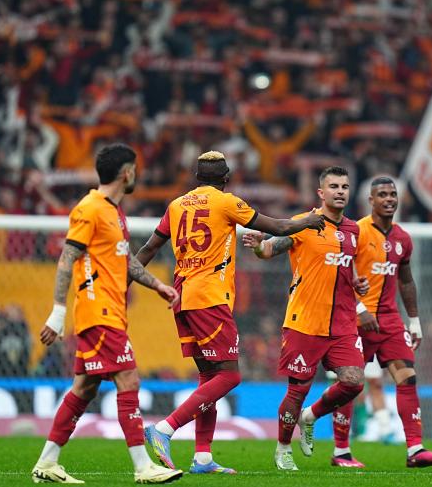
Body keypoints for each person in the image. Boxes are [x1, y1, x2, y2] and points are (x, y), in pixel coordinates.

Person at [136, 150, 325, 474]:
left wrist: (126, 280)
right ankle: (165, 429)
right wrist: (306, 221)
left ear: (197, 178)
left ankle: (202, 458)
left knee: (209, 377)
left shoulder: (177, 205)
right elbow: (277, 226)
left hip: (183, 296)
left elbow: (149, 247)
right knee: (230, 375)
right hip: (209, 297)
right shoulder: (226, 202)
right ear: (226, 178)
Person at [31, 143, 183, 485]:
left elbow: (126, 261)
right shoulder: (89, 208)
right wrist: (58, 312)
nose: (136, 175)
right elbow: (67, 258)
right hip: (98, 311)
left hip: (110, 311)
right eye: (135, 170)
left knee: (84, 388)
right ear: (126, 173)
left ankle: (47, 462)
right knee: (129, 380)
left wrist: (158, 285)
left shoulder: (115, 212)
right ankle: (143, 466)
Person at [242, 166, 369, 471]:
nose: (340, 191)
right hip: (305, 321)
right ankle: (283, 448)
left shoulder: (354, 231)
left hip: (342, 323)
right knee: (297, 391)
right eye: (334, 186)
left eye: (345, 186)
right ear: (321, 193)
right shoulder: (303, 223)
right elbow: (268, 250)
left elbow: (346, 270)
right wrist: (258, 245)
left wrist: (357, 284)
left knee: (354, 382)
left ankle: (310, 416)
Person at [329, 177, 432, 468]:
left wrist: (415, 321)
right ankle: (341, 451)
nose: (389, 199)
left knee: (407, 377)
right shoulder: (356, 231)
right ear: (371, 200)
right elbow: (338, 275)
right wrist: (359, 308)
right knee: (350, 384)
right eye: (382, 194)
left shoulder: (403, 238)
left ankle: (415, 450)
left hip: (390, 320)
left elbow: (406, 281)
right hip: (356, 319)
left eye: (392, 194)